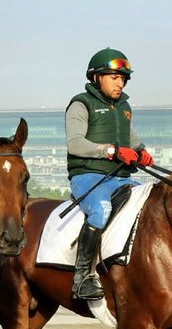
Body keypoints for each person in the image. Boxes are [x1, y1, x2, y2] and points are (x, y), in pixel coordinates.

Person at [65, 48, 154, 301]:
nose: (120, 82)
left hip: (122, 177)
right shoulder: (81, 104)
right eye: (114, 77)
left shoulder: (124, 106)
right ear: (96, 77)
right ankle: (82, 277)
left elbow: (130, 136)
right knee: (101, 210)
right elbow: (75, 144)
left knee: (151, 202)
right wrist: (110, 151)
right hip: (89, 177)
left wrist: (141, 151)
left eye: (123, 78)